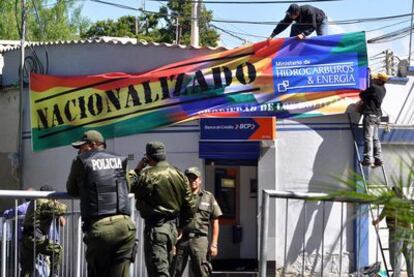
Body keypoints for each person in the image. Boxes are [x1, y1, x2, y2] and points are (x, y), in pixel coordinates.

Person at [66, 130, 137, 277]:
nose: (79, 151)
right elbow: (126, 187)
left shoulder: (81, 161)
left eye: (82, 147)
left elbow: (72, 189)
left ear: (92, 145)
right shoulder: (120, 159)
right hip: (125, 226)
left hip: (101, 228)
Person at [131, 141, 196, 277]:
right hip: (172, 228)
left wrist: (138, 169)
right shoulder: (179, 174)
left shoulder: (148, 174)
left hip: (156, 228)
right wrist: (181, 226)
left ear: (148, 157)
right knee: (168, 269)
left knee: (158, 270)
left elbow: (131, 185)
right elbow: (190, 206)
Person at [173, 167, 222, 277]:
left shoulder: (208, 197)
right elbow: (172, 219)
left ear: (200, 180)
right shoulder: (179, 197)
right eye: (189, 178)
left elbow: (215, 221)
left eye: (194, 178)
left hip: (199, 240)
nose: (192, 181)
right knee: (175, 271)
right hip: (181, 240)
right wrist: (172, 242)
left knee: (202, 272)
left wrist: (214, 244)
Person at [20, 185, 67, 277]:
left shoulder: (34, 201)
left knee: (27, 269)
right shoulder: (45, 202)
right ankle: (54, 274)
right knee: (57, 250)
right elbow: (63, 209)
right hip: (36, 238)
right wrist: (55, 202)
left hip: (27, 237)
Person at [372, 186, 413, 277]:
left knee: (395, 255)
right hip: (408, 231)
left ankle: (396, 275)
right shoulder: (406, 201)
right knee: (409, 255)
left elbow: (382, 214)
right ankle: (411, 274)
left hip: (396, 230)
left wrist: (375, 222)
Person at [360, 72, 388, 167]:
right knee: (375, 138)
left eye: (376, 79)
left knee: (368, 138)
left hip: (370, 115)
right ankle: (378, 159)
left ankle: (368, 159)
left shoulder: (373, 87)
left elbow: (362, 95)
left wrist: (368, 78)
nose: (374, 79)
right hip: (377, 116)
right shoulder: (383, 89)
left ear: (379, 80)